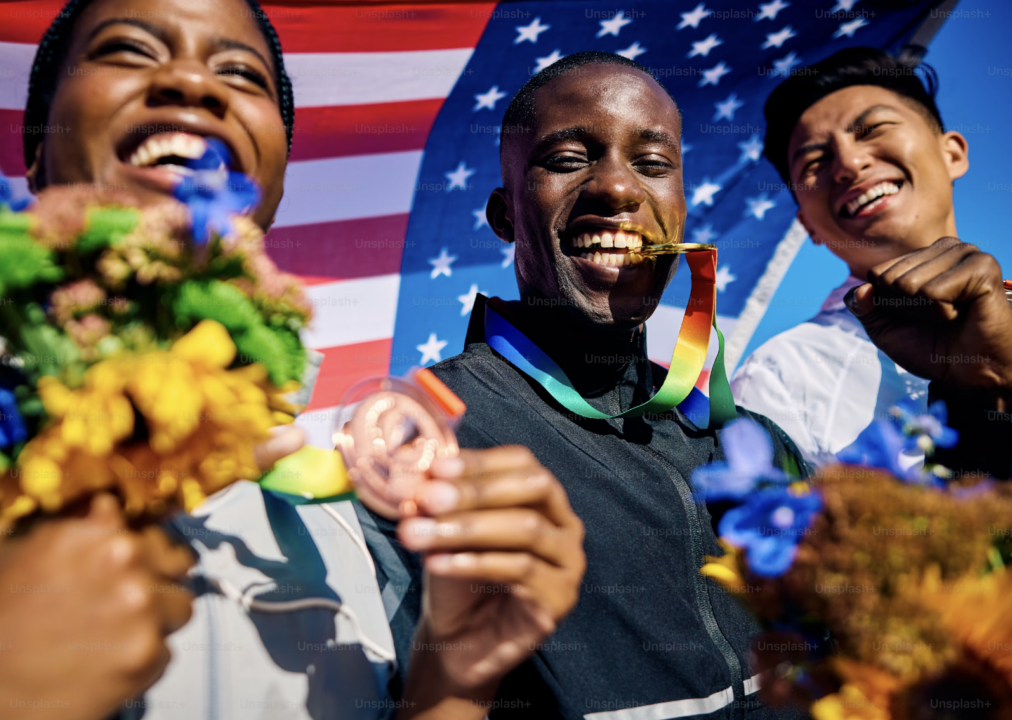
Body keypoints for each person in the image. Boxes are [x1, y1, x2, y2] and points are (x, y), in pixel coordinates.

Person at [0, 0, 585, 717]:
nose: (194, 83)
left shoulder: (330, 530)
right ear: (34, 151)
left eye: (239, 73)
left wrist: (455, 681)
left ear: (270, 186)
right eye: (127, 50)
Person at [360, 50, 1012, 720]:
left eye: (651, 163)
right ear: (504, 215)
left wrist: (979, 392)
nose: (617, 189)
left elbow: (929, 624)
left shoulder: (750, 440)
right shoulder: (426, 443)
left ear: (679, 211)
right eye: (566, 159)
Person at [729, 48, 968, 468]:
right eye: (815, 161)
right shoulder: (780, 377)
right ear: (810, 228)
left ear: (952, 153)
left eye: (873, 129)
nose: (850, 164)